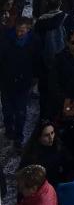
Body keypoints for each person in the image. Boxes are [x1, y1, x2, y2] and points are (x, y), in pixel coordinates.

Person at [0, 16, 41, 150]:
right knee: (7, 109)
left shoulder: (34, 42)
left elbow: (37, 62)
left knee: (20, 111)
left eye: (22, 31)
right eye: (18, 30)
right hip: (6, 81)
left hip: (24, 82)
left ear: (28, 30)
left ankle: (18, 135)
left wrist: (35, 77)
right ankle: (9, 129)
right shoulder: (6, 39)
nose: (19, 34)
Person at [19, 119, 71, 187]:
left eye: (52, 133)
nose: (51, 137)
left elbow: (66, 165)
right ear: (39, 137)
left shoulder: (58, 146)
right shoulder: (32, 155)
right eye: (46, 135)